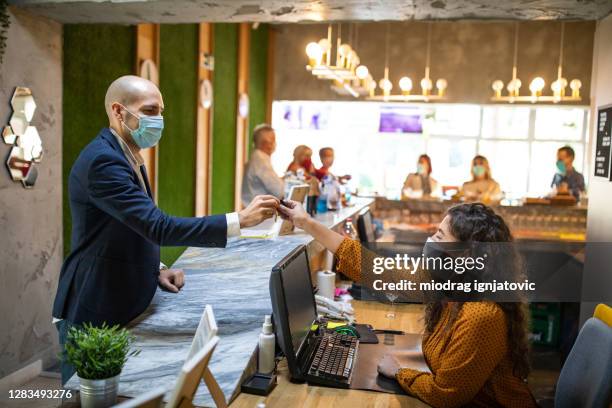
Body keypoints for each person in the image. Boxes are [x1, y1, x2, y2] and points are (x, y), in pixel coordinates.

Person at [53, 75, 279, 384]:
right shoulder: (103, 161)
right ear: (119, 111)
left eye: (160, 111)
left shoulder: (128, 153)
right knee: (83, 396)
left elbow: (132, 225)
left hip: (124, 297)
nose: (158, 119)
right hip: (93, 304)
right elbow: (157, 226)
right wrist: (238, 220)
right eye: (148, 111)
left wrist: (155, 267)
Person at [278, 200, 537, 408]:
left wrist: (399, 372)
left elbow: (446, 395)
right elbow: (378, 272)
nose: (431, 241)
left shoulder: (481, 313)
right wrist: (307, 223)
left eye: (439, 235)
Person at [241, 124, 285, 206]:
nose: (274, 144)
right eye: (273, 140)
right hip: (260, 213)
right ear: (266, 143)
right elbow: (279, 191)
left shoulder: (258, 157)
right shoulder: (261, 161)